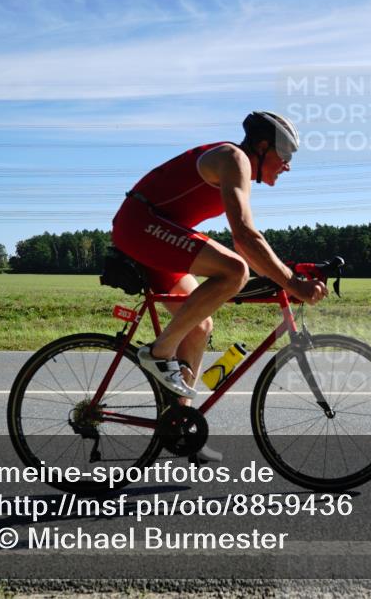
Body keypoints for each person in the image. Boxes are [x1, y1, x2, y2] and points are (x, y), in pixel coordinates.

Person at [111, 111, 328, 456]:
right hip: (142, 225)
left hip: (158, 230)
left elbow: (247, 241)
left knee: (200, 326)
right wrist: (292, 284)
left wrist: (286, 275)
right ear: (261, 147)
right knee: (234, 270)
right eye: (285, 156)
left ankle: (180, 424)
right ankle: (159, 352)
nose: (287, 166)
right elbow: (244, 238)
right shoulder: (234, 159)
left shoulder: (239, 166)